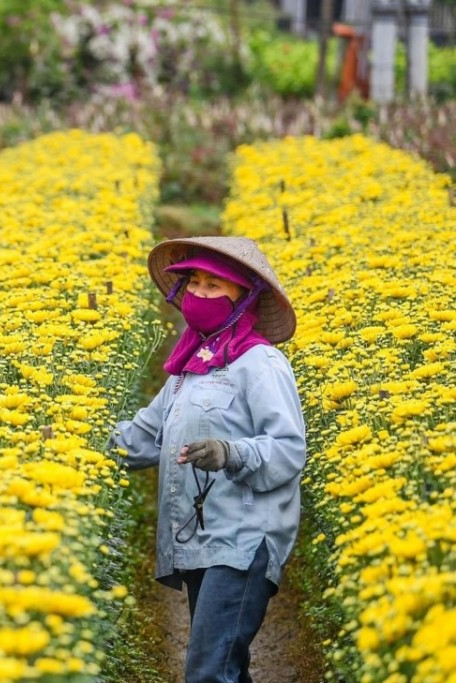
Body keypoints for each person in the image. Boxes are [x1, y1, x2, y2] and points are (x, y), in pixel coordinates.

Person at [109, 236, 306, 683]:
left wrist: (230, 453)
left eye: (214, 286)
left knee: (209, 672)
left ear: (245, 297)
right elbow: (142, 437)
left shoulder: (261, 364)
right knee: (222, 668)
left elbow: (289, 447)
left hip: (243, 538)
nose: (198, 294)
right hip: (201, 536)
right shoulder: (190, 368)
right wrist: (66, 445)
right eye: (194, 282)